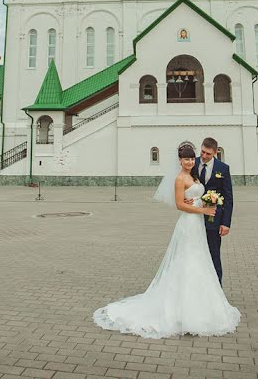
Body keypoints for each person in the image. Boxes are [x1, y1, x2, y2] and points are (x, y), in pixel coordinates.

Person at [93, 144, 240, 339]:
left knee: (202, 259)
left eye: (191, 158)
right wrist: (202, 210)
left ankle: (204, 301)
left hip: (199, 225)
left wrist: (205, 202)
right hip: (189, 224)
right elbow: (180, 205)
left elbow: (201, 195)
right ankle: (181, 308)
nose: (189, 161)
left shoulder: (195, 174)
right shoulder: (180, 178)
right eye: (186, 159)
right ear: (179, 160)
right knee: (187, 260)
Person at [187, 137, 234, 284]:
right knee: (194, 254)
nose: (204, 156)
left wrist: (226, 223)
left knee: (214, 254)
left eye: (208, 153)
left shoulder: (223, 168)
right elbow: (182, 185)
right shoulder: (192, 164)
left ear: (215, 152)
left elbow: (228, 197)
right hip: (194, 218)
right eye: (202, 151)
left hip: (214, 219)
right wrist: (184, 199)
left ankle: (216, 289)